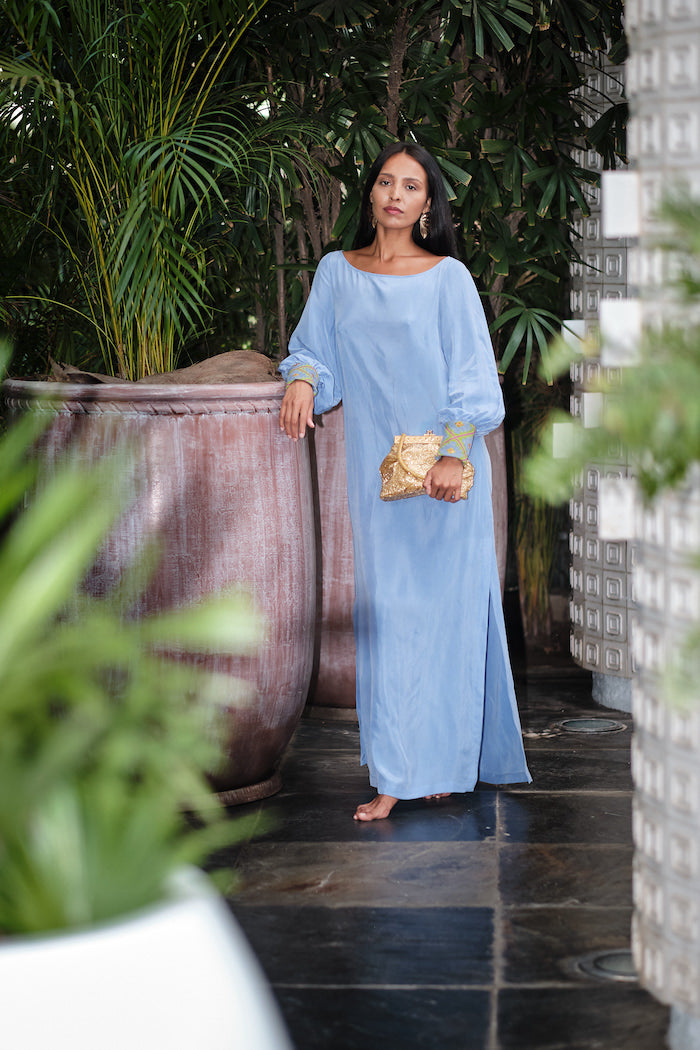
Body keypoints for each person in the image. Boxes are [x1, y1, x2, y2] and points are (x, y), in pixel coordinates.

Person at [279, 141, 531, 821]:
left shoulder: (448, 278)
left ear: (428, 205)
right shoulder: (338, 271)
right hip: (377, 484)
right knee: (392, 619)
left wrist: (455, 454)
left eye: (411, 185)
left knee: (447, 619)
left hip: (444, 476)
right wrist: (302, 377)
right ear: (371, 194)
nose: (395, 193)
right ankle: (395, 772)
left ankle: (441, 763)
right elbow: (314, 351)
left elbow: (474, 377)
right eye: (386, 181)